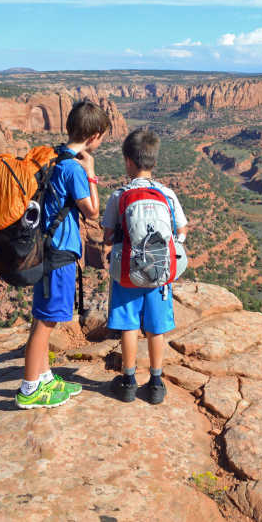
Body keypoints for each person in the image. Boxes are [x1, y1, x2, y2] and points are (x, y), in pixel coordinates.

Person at [15, 100, 111, 409]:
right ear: (95, 135)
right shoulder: (73, 168)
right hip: (58, 252)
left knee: (44, 317)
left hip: (47, 249)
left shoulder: (54, 157)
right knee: (45, 322)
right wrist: (92, 173)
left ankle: (43, 377)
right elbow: (92, 212)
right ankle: (30, 390)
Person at [102, 128, 188, 405]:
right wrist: (177, 241)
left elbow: (107, 235)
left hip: (127, 272)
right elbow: (182, 228)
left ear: (128, 161)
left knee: (128, 325)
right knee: (155, 327)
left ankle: (127, 381)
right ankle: (156, 382)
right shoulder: (167, 193)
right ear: (154, 161)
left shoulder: (119, 196)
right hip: (159, 271)